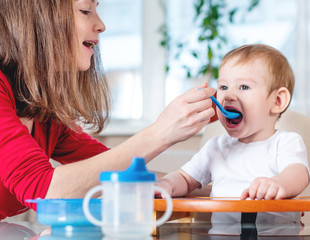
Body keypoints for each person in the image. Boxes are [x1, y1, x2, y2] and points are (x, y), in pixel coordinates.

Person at [0, 0, 216, 220]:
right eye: (86, 11)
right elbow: (45, 191)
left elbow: (121, 174)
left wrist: (223, 188)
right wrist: (160, 133)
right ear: (39, 19)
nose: (102, 25)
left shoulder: (44, 111)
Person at [155, 44, 310, 225]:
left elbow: (298, 174)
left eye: (243, 87)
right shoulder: (215, 147)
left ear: (277, 101)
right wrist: (166, 185)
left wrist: (279, 183)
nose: (228, 96)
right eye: (223, 87)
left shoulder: (286, 142)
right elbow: (185, 178)